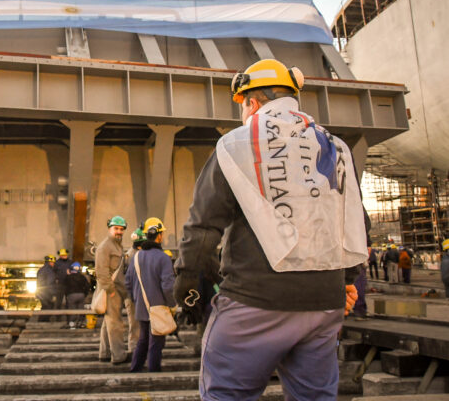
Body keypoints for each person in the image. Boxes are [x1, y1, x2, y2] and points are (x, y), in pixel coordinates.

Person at [174, 59, 369, 400]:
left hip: (254, 304)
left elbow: (203, 226)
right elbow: (354, 220)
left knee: (225, 394)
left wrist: (187, 283)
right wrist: (349, 279)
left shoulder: (235, 144)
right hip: (323, 306)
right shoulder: (336, 147)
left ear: (252, 100)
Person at [125, 218, 176, 372]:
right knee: (156, 342)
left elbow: (127, 282)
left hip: (141, 307)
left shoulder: (136, 257)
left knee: (143, 340)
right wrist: (172, 304)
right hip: (159, 307)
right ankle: (154, 372)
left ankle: (135, 368)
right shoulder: (164, 258)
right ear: (159, 236)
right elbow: (168, 286)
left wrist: (136, 300)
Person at [95, 215, 128, 365]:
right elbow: (101, 271)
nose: (119, 232)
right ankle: (119, 356)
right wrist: (111, 290)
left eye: (121, 229)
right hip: (110, 291)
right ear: (109, 229)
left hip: (115, 290)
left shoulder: (116, 245)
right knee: (115, 323)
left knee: (108, 322)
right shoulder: (105, 247)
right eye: (116, 229)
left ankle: (105, 353)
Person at [125, 227, 146, 353]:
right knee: (135, 323)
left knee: (136, 323)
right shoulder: (134, 256)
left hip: (134, 294)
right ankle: (134, 349)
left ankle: (137, 347)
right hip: (134, 295)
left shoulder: (131, 254)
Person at [64, 262, 89, 328]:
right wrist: (84, 294)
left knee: (72, 310)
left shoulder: (68, 277)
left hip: (71, 295)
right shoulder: (82, 277)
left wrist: (66, 295)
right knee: (81, 310)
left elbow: (64, 286)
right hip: (81, 295)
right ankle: (81, 323)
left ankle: (72, 324)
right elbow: (87, 286)